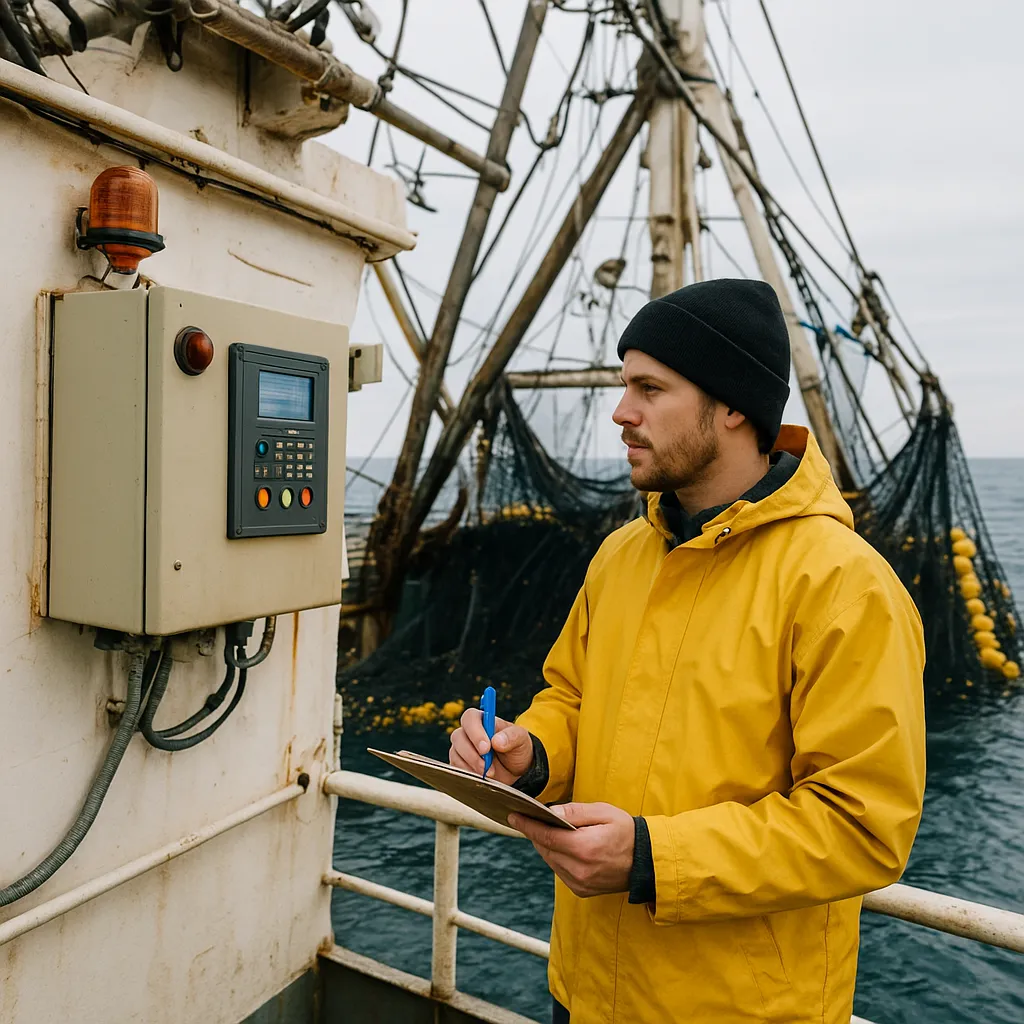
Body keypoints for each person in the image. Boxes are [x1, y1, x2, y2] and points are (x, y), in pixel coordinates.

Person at [449, 278, 926, 1024]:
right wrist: (531, 752)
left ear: (733, 405)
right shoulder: (621, 556)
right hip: (585, 990)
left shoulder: (844, 584)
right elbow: (570, 696)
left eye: (649, 388)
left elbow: (862, 827)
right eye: (623, 385)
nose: (621, 411)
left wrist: (647, 858)